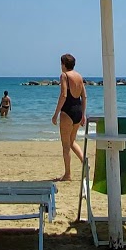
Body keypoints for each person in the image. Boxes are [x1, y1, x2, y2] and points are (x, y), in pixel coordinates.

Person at [51, 53, 86, 182]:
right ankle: (85, 163)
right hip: (77, 111)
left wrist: (56, 114)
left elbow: (64, 95)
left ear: (64, 64)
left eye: (61, 63)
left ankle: (67, 174)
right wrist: (83, 114)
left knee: (66, 145)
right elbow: (84, 96)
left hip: (67, 112)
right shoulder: (79, 76)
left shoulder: (64, 75)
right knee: (72, 142)